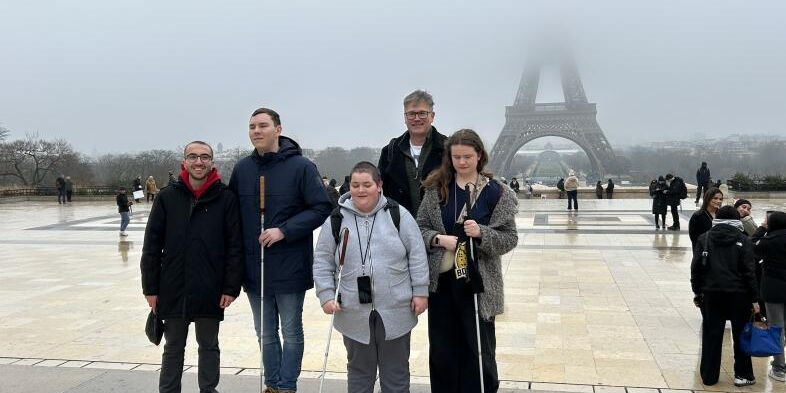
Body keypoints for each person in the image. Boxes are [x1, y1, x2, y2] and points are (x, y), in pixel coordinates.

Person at [228, 107, 332, 393]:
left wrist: (284, 230)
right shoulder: (242, 169)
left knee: (291, 331)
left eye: (262, 125)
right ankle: (272, 385)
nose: (256, 131)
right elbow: (231, 213)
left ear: (278, 129)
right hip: (254, 267)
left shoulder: (302, 167)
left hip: (290, 265)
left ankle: (287, 386)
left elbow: (321, 207)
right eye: (252, 127)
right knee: (265, 333)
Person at [416, 129, 518, 393]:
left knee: (479, 350)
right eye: (456, 157)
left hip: (478, 284)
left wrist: (482, 233)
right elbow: (420, 228)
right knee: (443, 351)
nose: (461, 162)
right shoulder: (436, 190)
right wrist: (439, 239)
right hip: (443, 281)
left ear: (479, 156)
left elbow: (509, 238)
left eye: (467, 157)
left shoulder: (497, 193)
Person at [313, 161, 429, 393]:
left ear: (379, 185)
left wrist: (420, 292)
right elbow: (322, 261)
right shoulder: (336, 219)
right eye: (355, 185)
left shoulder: (399, 215)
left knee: (396, 374)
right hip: (352, 310)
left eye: (367, 184)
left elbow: (417, 255)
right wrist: (326, 295)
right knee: (359, 373)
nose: (361, 190)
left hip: (396, 308)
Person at [141, 141, 244, 393]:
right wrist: (150, 288)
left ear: (212, 162)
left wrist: (230, 287)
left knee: (209, 345)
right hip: (173, 286)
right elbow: (151, 246)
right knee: (173, 347)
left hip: (210, 286)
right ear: (184, 162)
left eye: (204, 157)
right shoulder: (167, 197)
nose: (199, 162)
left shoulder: (226, 198)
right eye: (193, 157)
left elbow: (235, 246)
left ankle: (208, 390)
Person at [691, 205, 759, 387]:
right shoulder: (743, 239)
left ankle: (709, 376)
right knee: (741, 335)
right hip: (739, 295)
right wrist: (754, 299)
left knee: (711, 335)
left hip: (711, 294)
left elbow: (696, 268)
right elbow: (749, 272)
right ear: (736, 220)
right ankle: (742, 375)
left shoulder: (705, 238)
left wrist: (697, 292)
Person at [378, 90, 447, 215]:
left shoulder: (448, 149)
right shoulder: (389, 152)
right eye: (411, 114)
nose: (417, 118)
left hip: (441, 225)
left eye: (422, 113)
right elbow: (379, 190)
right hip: (399, 224)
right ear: (405, 117)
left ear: (432, 116)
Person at [752, 211, 786, 382]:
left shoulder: (768, 240)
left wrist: (761, 228)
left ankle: (779, 368)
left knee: (776, 327)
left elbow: (752, 247)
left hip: (773, 290)